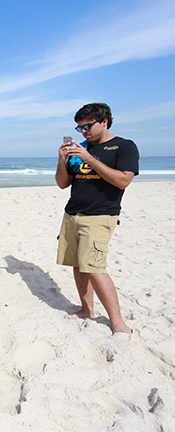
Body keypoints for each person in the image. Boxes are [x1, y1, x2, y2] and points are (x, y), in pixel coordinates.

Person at [55, 102, 138, 338]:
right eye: (79, 127)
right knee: (78, 264)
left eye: (88, 126)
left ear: (104, 122)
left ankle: (118, 323)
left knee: (94, 267)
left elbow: (123, 180)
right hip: (72, 214)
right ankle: (86, 309)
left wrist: (89, 158)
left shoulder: (123, 146)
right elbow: (63, 183)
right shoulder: (80, 148)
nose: (84, 131)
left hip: (100, 215)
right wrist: (62, 160)